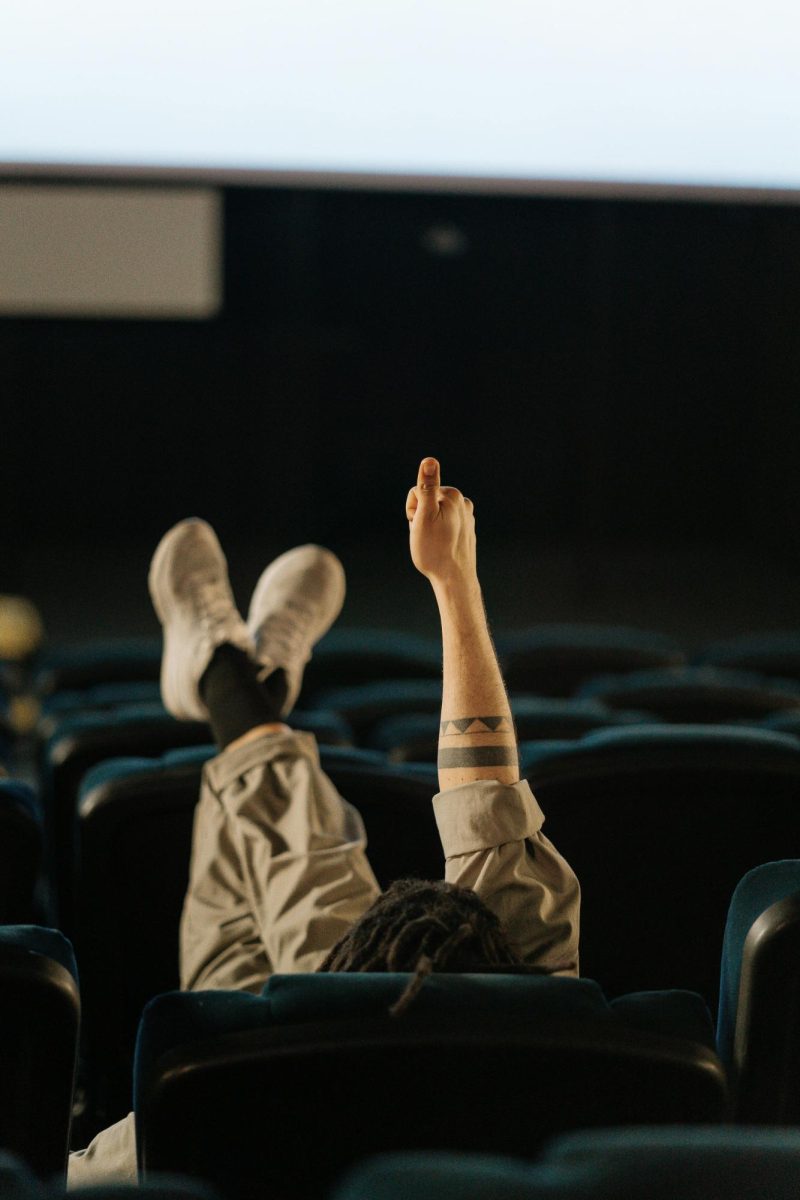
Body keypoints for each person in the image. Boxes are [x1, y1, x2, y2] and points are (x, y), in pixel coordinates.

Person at [68, 456, 580, 1186]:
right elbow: (487, 805)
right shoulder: (561, 1045)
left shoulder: (206, 1106)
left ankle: (230, 678)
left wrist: (454, 579)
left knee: (306, 864)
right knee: (260, 870)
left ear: (335, 989)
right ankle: (235, 681)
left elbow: (58, 1183)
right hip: (286, 1046)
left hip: (272, 1066)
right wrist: (455, 584)